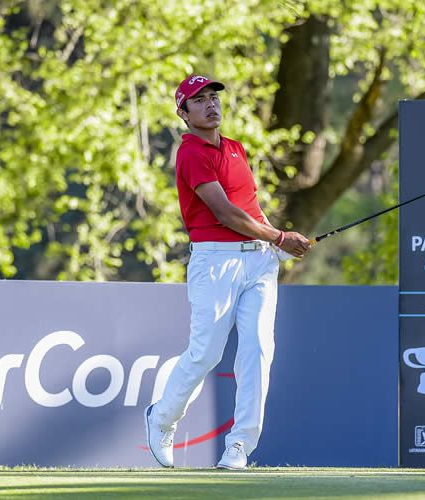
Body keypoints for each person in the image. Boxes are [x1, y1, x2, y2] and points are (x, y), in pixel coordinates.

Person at [144, 75, 311, 470]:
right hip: (215, 260)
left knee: (257, 351)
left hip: (258, 263)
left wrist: (274, 244)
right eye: (198, 101)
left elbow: (248, 206)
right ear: (182, 113)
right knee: (206, 353)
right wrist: (280, 236)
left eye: (213, 98)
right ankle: (162, 418)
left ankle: (239, 446)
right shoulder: (191, 154)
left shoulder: (235, 149)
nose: (210, 105)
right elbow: (224, 213)